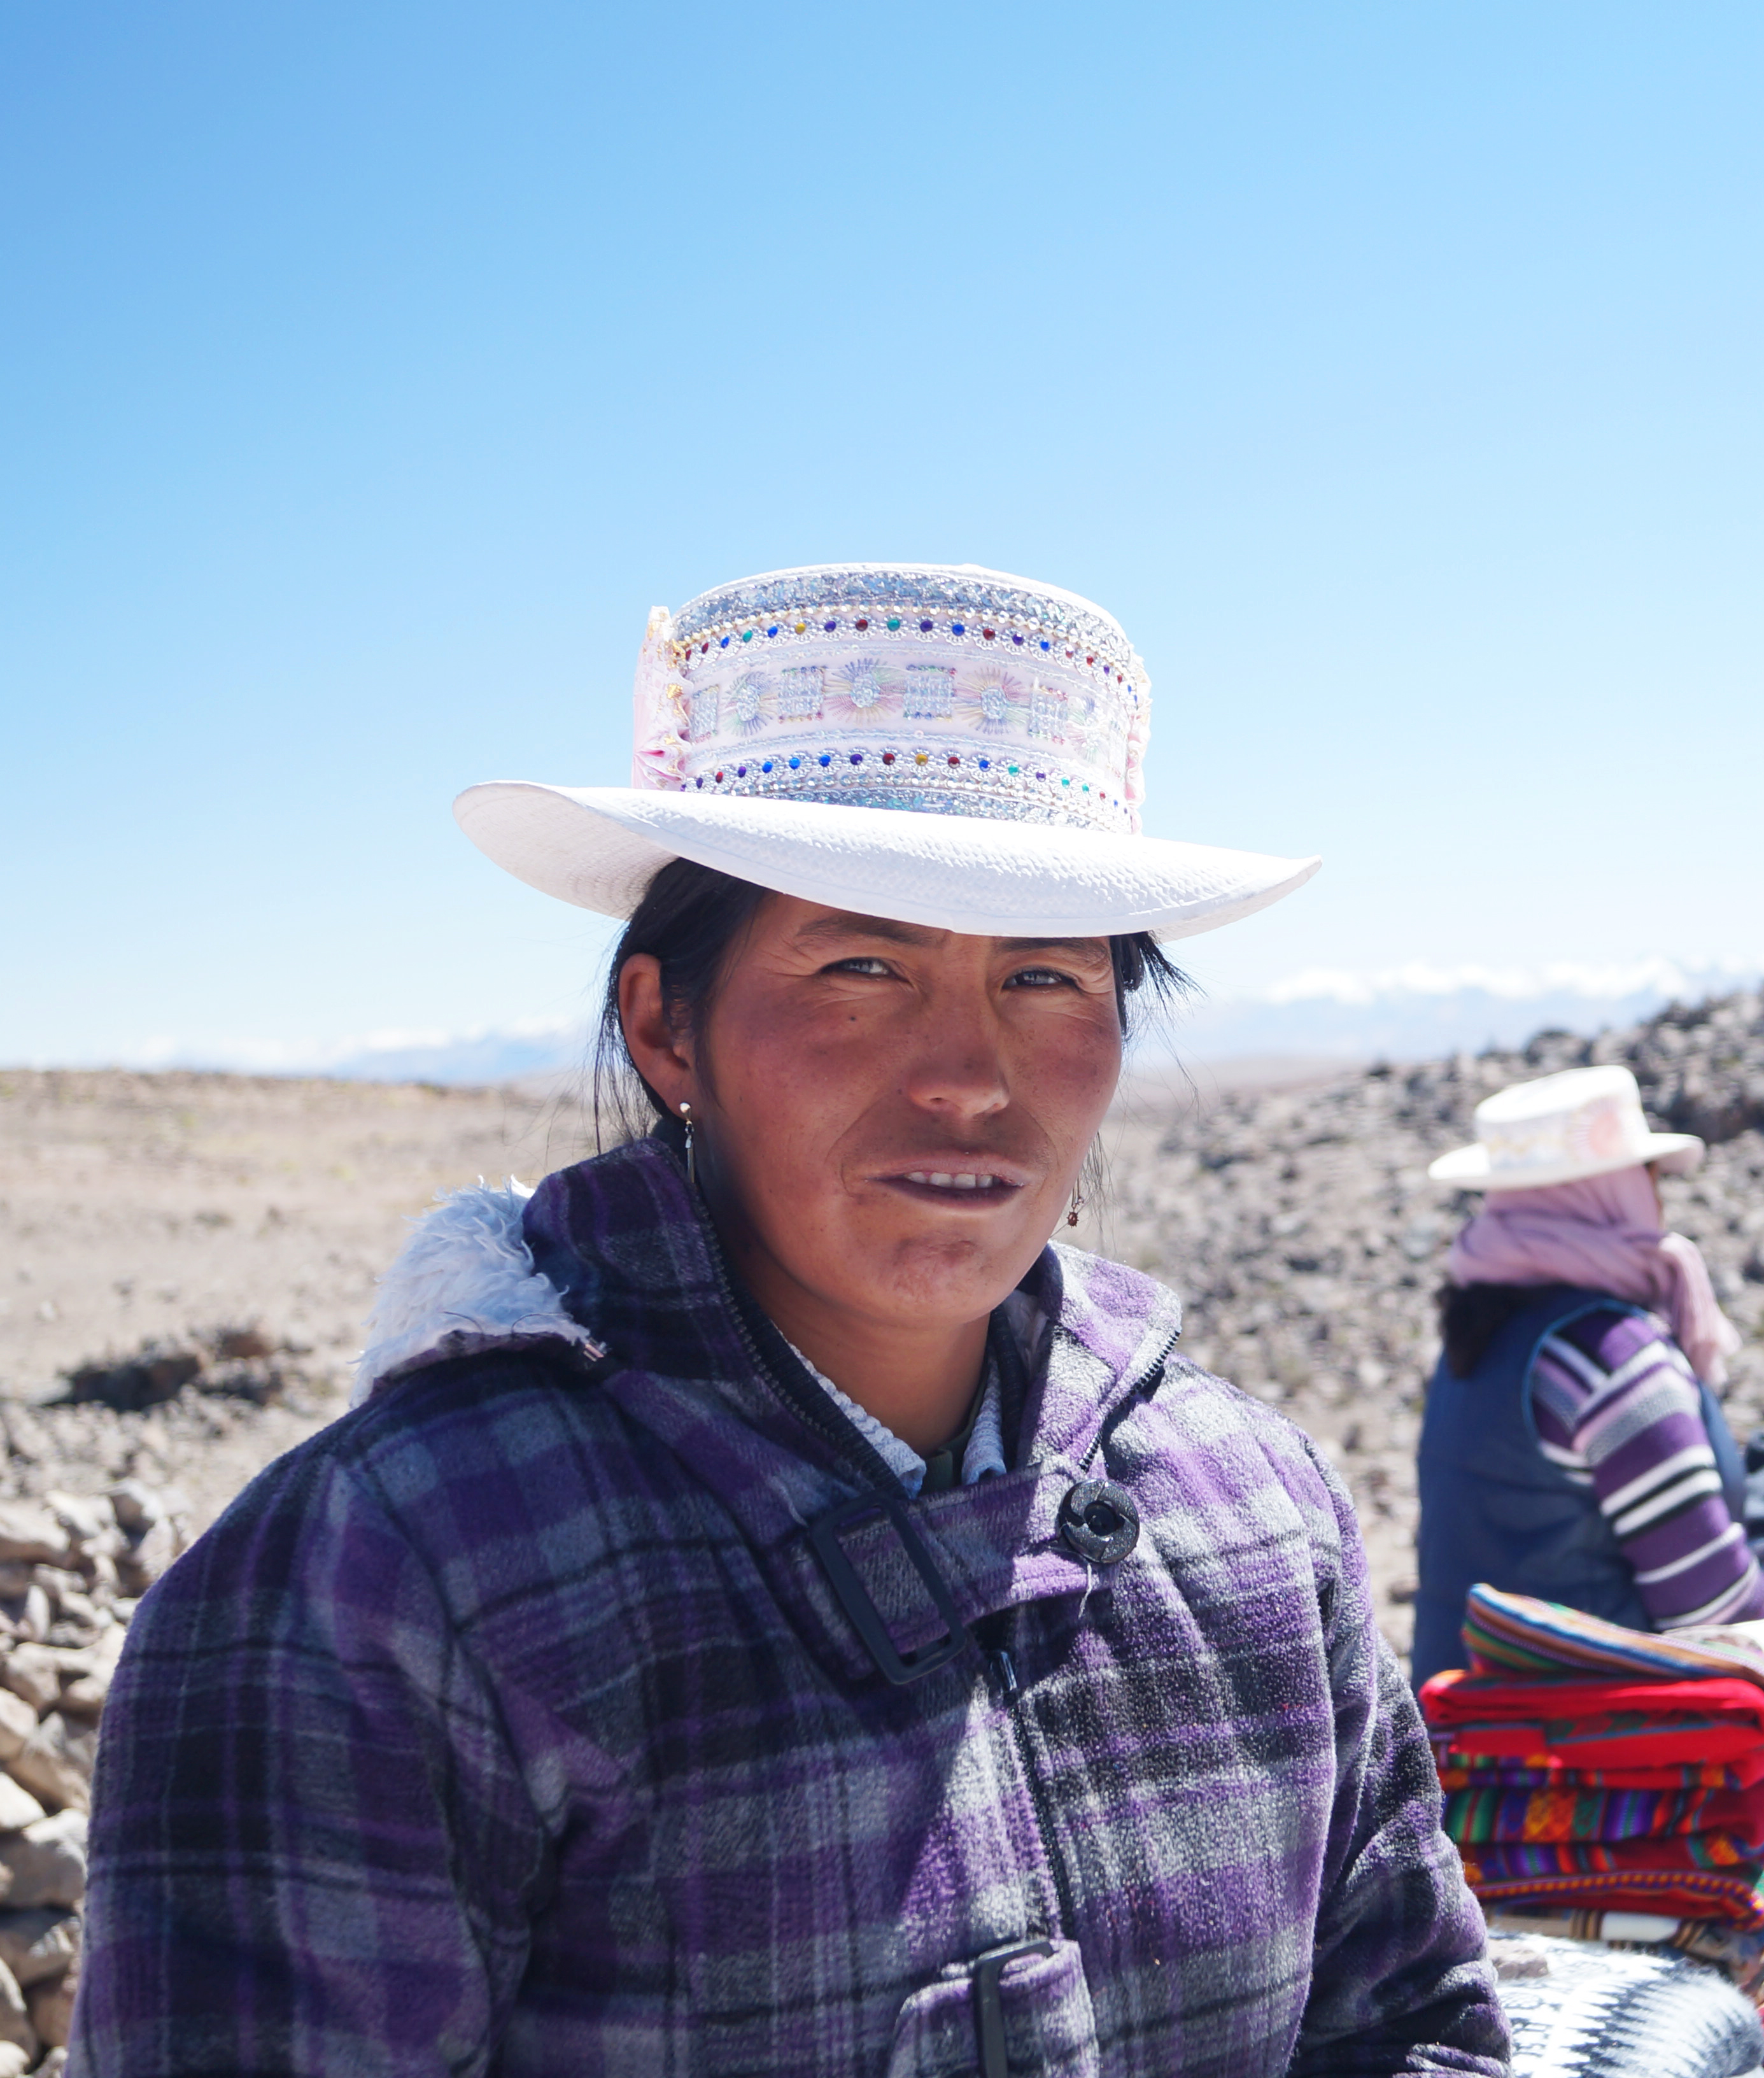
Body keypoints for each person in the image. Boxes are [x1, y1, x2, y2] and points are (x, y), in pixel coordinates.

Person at [76, 565, 1506, 2075]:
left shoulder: (1250, 1507)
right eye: (860, 966)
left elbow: (1407, 2025)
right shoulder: (394, 1573)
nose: (967, 1073)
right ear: (663, 1024)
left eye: (1042, 977)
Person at [1411, 1064, 1764, 1686]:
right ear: (1605, 1191)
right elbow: (1710, 1610)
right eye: (1650, 1178)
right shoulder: (1614, 1359)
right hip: (1590, 1746)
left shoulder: (1478, 1335)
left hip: (1462, 1734)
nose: (1659, 1201)